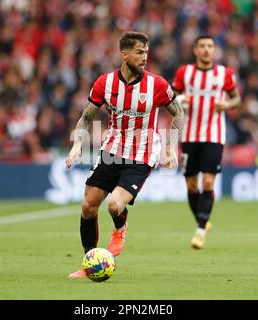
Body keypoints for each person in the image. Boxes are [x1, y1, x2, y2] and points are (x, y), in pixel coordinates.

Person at [65, 31, 185, 279]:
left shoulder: (157, 85)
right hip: (112, 149)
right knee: (88, 206)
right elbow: (86, 116)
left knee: (113, 204)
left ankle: (120, 227)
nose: (144, 58)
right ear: (124, 54)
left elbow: (178, 113)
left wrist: (170, 147)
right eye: (140, 52)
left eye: (146, 53)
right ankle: (90, 262)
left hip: (143, 152)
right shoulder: (104, 83)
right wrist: (77, 145)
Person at [172, 35, 241, 249]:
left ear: (214, 50)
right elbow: (172, 97)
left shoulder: (224, 74)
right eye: (202, 46)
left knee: (209, 182)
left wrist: (228, 105)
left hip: (214, 135)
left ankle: (200, 230)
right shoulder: (185, 72)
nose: (206, 50)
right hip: (189, 135)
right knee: (192, 185)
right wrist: (181, 100)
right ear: (195, 50)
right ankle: (202, 221)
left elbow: (236, 98)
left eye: (210, 46)